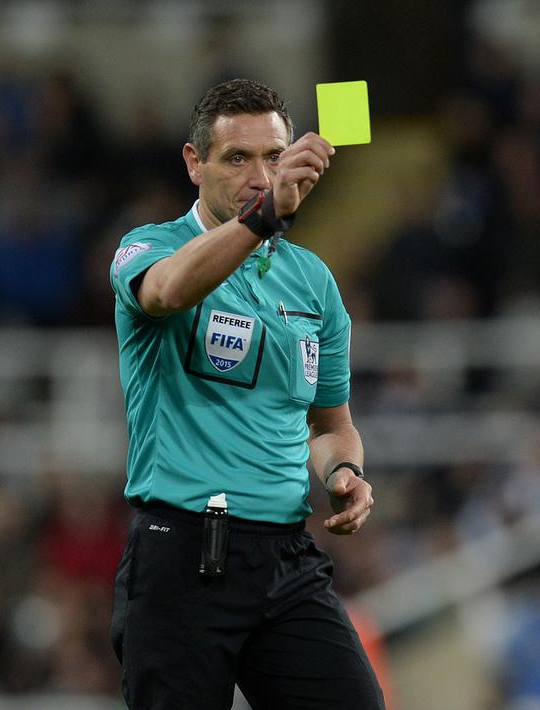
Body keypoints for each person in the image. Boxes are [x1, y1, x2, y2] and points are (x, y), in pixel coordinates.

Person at [107, 78, 385, 709]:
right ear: (193, 163)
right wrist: (265, 219)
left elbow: (331, 425)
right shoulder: (148, 247)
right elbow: (168, 293)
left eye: (273, 157)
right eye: (237, 158)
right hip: (182, 557)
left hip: (286, 559)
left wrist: (345, 471)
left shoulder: (312, 280)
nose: (260, 175)